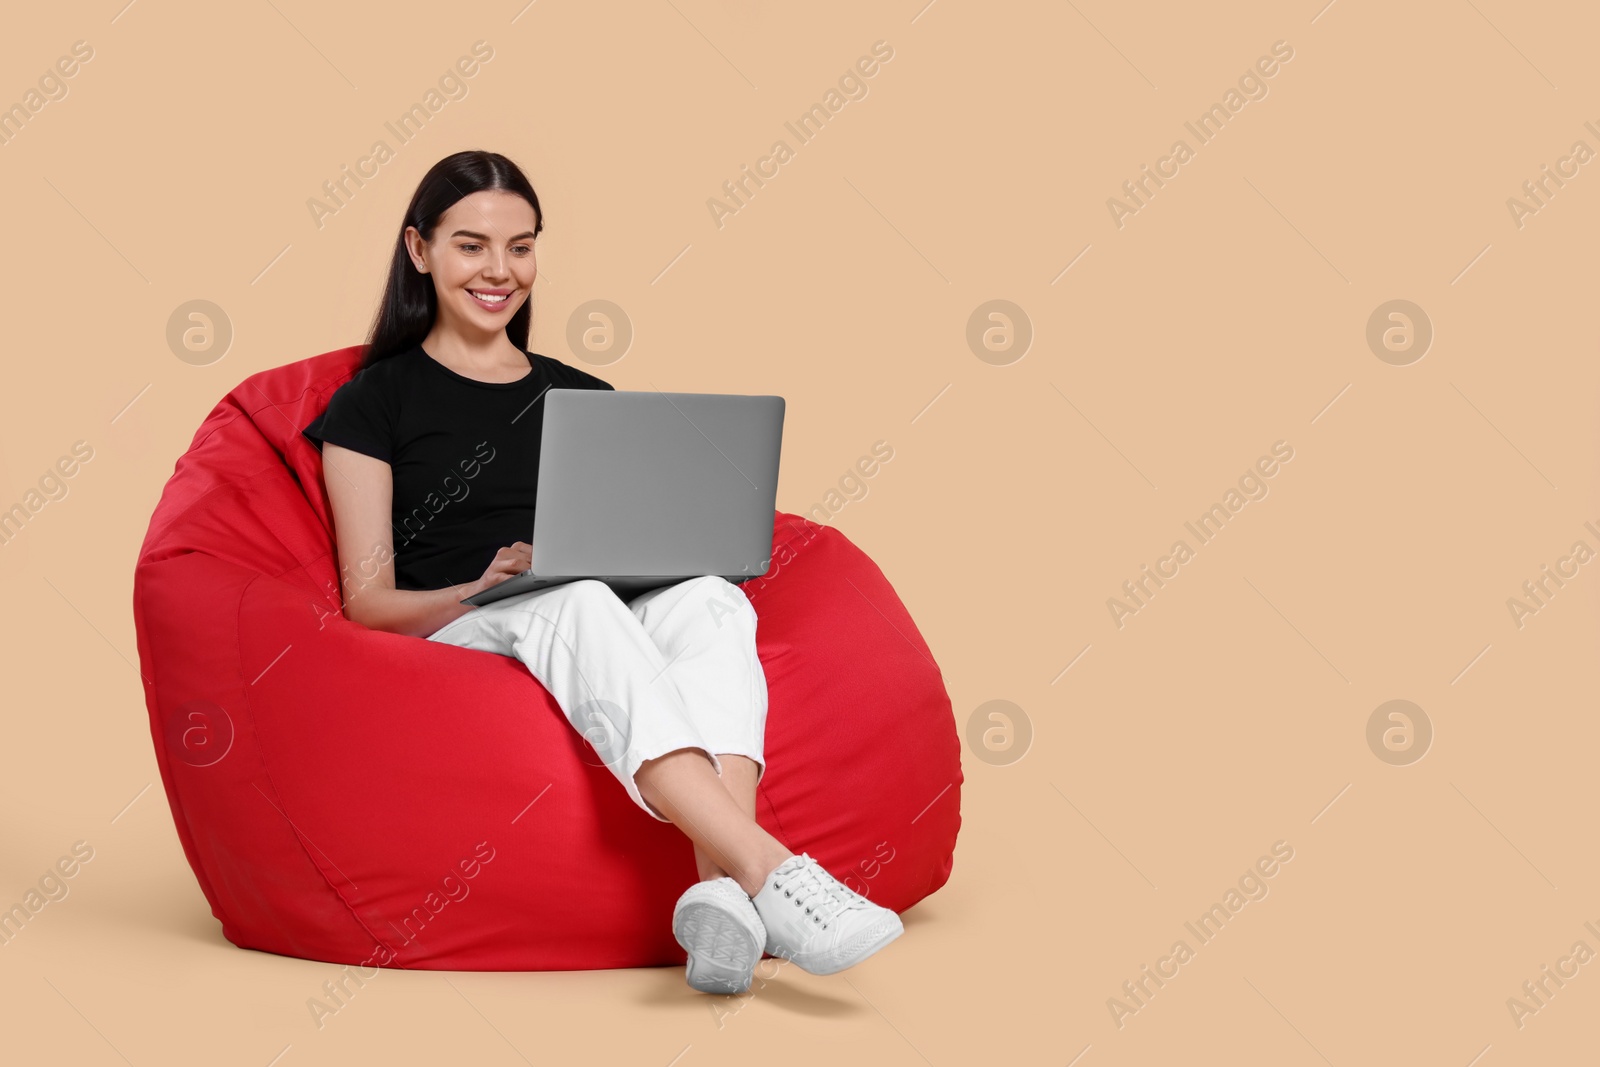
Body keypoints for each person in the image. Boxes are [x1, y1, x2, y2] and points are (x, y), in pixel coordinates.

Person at [299, 150, 903, 993]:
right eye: (471, 246)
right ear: (419, 250)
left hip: (589, 605)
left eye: (520, 246)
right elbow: (367, 601)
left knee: (708, 599)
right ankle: (775, 873)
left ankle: (721, 898)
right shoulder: (375, 400)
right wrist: (491, 580)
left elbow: (623, 549)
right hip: (465, 619)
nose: (498, 271)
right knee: (572, 597)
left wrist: (647, 561)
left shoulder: (581, 394)